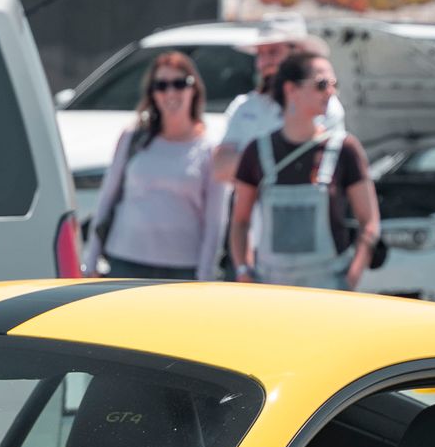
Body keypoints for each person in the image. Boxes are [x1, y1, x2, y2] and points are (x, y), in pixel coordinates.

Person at [228, 50, 379, 293]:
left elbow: (369, 222)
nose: (330, 91)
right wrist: (243, 270)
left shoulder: (345, 149)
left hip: (329, 290)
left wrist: (351, 278)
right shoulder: (256, 151)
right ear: (291, 89)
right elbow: (240, 221)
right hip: (270, 291)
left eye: (334, 84)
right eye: (321, 84)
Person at [84, 50, 226, 280]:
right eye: (161, 85)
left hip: (183, 268)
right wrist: (90, 260)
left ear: (194, 89)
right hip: (125, 260)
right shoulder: (133, 138)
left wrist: (206, 275)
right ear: (153, 93)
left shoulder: (209, 148)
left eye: (180, 84)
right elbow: (106, 198)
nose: (170, 93)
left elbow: (215, 221)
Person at [211, 15, 342, 189]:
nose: (264, 62)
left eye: (273, 52)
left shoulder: (326, 104)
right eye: (260, 54)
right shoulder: (244, 105)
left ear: (297, 54)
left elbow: (324, 165)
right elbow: (220, 168)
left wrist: (250, 164)